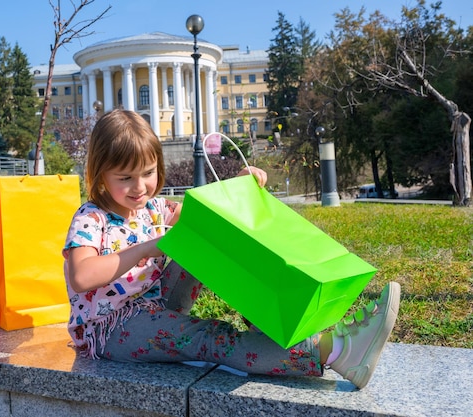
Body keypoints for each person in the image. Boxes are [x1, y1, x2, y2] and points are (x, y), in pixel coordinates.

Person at [62, 109, 400, 390]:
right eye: (125, 178)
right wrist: (147, 248)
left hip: (157, 303)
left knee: (210, 242)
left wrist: (241, 184)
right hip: (112, 328)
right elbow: (82, 276)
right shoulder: (92, 218)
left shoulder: (153, 208)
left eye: (148, 173)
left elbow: (211, 219)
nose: (139, 187)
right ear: (100, 175)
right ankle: (336, 351)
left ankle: (269, 322)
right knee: (210, 337)